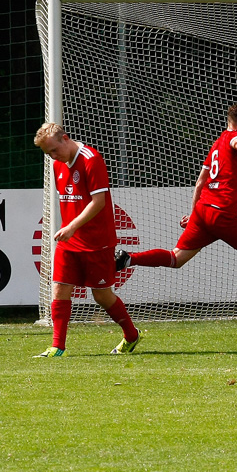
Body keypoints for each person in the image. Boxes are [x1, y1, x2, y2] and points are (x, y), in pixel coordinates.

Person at [115, 104, 237, 316]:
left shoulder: (216, 145)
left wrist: (194, 214)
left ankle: (129, 258)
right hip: (223, 214)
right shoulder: (235, 138)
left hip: (204, 210)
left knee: (177, 258)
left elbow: (200, 182)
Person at [33, 123, 140, 357]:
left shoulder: (91, 159)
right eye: (48, 153)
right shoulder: (58, 163)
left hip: (96, 241)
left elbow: (98, 201)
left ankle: (132, 335)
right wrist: (69, 229)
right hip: (70, 241)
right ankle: (57, 347)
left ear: (65, 138)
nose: (53, 156)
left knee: (101, 296)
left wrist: (71, 226)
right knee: (59, 288)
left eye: (54, 150)